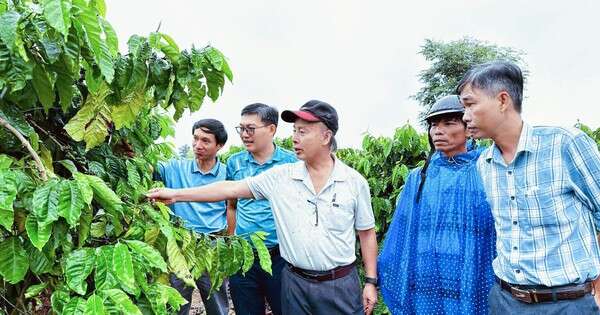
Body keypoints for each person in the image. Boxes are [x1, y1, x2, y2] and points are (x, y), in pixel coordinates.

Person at [148, 100, 379, 315]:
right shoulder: (281, 176)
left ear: (326, 136)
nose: (295, 138)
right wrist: (176, 195)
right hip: (294, 281)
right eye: (294, 131)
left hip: (339, 283)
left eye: (303, 131)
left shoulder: (354, 182)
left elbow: (367, 233)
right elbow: (230, 190)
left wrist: (370, 281)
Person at [458, 60, 600, 314]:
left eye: (470, 104)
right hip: (505, 300)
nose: (465, 116)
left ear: (502, 100)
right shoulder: (485, 163)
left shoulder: (565, 145)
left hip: (565, 304)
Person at [378, 95, 496, 314]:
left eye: (449, 123)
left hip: (470, 270)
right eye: (433, 125)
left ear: (468, 128)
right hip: (427, 274)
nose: (438, 131)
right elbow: (404, 232)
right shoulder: (419, 177)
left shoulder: (487, 169)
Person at [226, 103, 297, 315]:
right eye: (241, 129)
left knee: (285, 309)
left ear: (272, 129)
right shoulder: (235, 163)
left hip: (281, 256)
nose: (245, 135)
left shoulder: (291, 163)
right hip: (245, 255)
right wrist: (232, 242)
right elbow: (232, 206)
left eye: (251, 129)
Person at [154, 119, 230, 315]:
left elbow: (233, 208)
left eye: (205, 140)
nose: (198, 145)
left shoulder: (227, 174)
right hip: (179, 244)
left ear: (219, 146)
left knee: (216, 300)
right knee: (177, 301)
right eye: (195, 139)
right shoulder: (175, 168)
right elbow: (150, 167)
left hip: (212, 244)